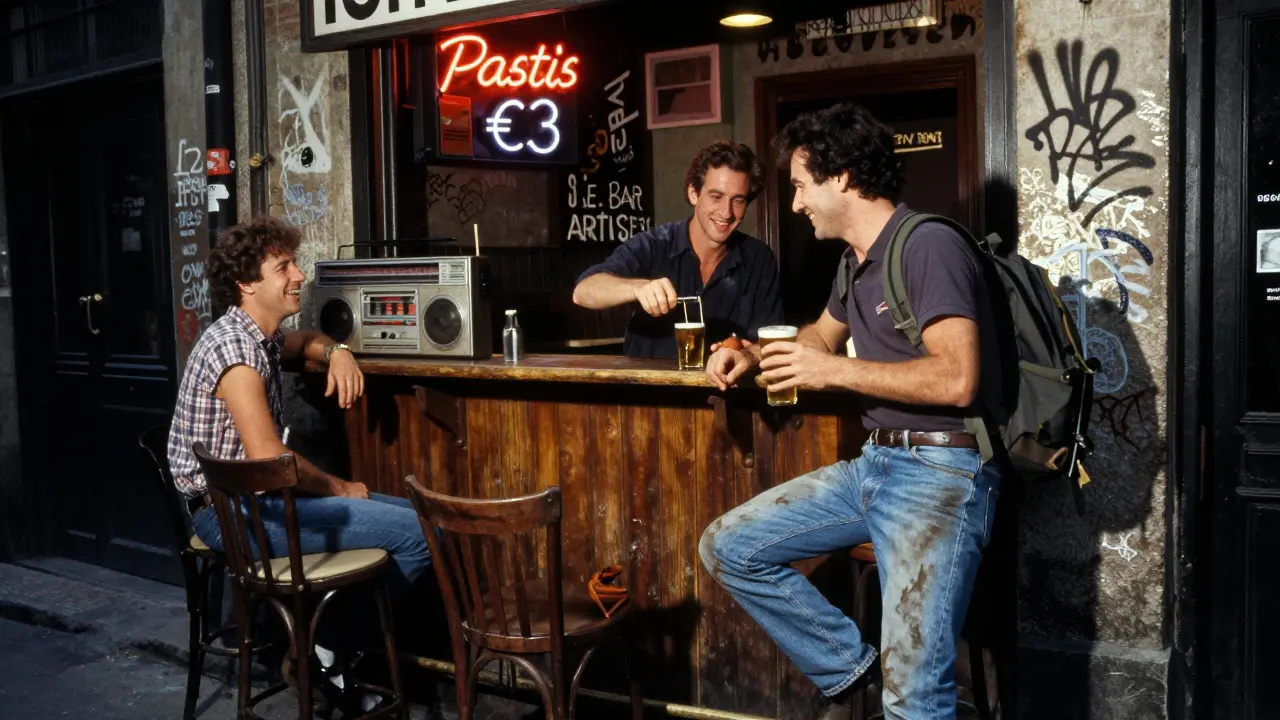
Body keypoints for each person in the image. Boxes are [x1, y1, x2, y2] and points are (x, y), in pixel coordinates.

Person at [699, 103, 1004, 719]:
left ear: (841, 177)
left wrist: (833, 372)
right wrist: (756, 354)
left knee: (915, 700)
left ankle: (897, 689)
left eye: (800, 185)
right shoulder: (856, 262)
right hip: (876, 465)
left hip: (940, 477)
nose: (794, 204)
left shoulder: (929, 247)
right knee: (729, 546)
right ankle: (855, 670)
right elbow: (820, 338)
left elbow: (959, 378)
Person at [166, 217, 430, 707]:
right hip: (233, 514)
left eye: (294, 262)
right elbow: (269, 458)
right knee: (418, 535)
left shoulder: (253, 334)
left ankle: (327, 645)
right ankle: (326, 648)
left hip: (251, 502)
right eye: (283, 266)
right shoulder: (236, 351)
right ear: (247, 283)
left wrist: (339, 352)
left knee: (420, 518)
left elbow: (305, 339)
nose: (299, 275)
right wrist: (340, 487)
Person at [573, 141, 783, 357]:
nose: (726, 212)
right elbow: (583, 292)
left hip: (721, 389)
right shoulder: (654, 244)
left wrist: (741, 351)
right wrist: (638, 288)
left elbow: (768, 342)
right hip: (647, 387)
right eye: (716, 197)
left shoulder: (759, 258)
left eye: (738, 200)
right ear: (694, 194)